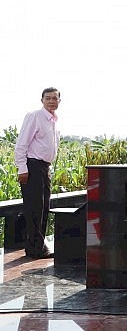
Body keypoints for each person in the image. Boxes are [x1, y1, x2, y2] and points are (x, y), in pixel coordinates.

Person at [14, 87, 61, 258]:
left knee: (44, 207)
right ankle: (35, 248)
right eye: (47, 98)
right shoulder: (34, 116)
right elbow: (21, 145)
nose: (51, 101)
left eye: (54, 98)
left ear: (59, 101)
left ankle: (38, 246)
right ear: (41, 100)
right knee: (35, 208)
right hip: (32, 166)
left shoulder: (54, 120)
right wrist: (22, 168)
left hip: (44, 168)